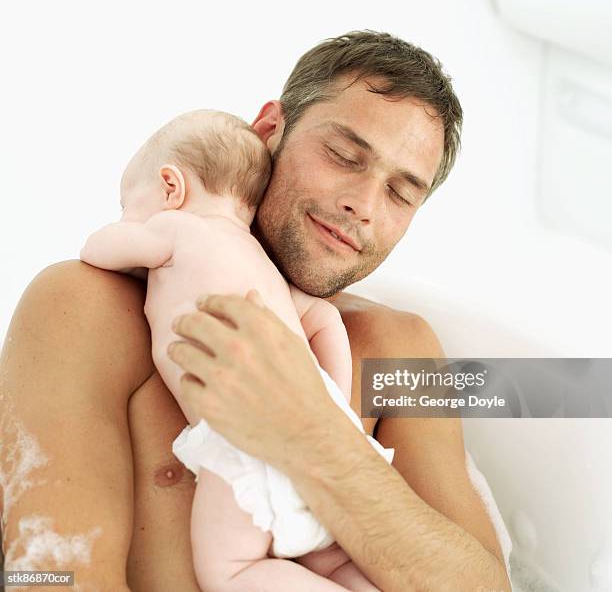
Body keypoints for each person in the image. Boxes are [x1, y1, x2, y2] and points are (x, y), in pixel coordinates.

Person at [0, 31, 512, 591]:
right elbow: (48, 576)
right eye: (344, 156)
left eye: (400, 194)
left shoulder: (401, 348)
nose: (362, 206)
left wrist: (313, 430)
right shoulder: (85, 308)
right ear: (269, 130)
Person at [79, 108, 392, 590]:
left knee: (231, 572)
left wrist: (118, 232)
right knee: (334, 561)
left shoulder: (178, 230)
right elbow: (324, 319)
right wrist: (333, 409)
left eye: (128, 203)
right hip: (332, 444)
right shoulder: (260, 265)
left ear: (171, 187)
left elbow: (99, 250)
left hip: (247, 436)